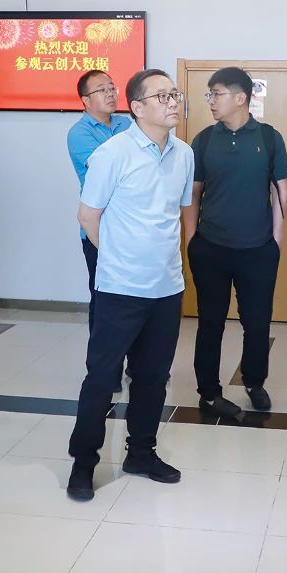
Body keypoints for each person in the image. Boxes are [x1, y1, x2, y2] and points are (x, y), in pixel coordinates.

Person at [66, 69, 193, 501]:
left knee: (153, 377)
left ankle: (141, 452)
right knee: (102, 378)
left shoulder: (184, 154)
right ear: (137, 108)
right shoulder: (112, 154)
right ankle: (84, 463)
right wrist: (119, 259)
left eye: (174, 94)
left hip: (166, 287)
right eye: (162, 96)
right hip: (120, 288)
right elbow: (88, 216)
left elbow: (176, 213)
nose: (173, 102)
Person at [183, 67, 287, 416]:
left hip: (257, 250)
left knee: (256, 322)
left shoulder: (269, 138)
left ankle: (254, 382)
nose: (211, 101)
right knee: (209, 322)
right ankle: (208, 391)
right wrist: (191, 240)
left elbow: (280, 191)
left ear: (241, 97)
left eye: (217, 94)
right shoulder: (203, 140)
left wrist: (276, 241)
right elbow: (193, 194)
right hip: (211, 247)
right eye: (210, 94)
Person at [66, 69, 131, 391]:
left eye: (112, 87)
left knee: (136, 300)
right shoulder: (79, 134)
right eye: (102, 90)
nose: (110, 94)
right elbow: (108, 172)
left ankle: (137, 363)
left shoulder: (127, 123)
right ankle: (106, 369)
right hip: (99, 231)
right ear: (86, 100)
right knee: (105, 302)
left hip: (132, 230)